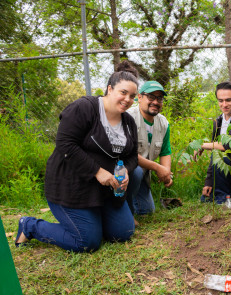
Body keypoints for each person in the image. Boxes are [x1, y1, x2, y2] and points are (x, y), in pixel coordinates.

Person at [14, 61, 139, 252]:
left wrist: (127, 171)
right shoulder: (84, 107)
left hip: (106, 191)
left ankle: (93, 220)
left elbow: (132, 157)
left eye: (132, 96)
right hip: (73, 186)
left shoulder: (128, 122)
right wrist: (97, 171)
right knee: (86, 242)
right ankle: (30, 226)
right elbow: (65, 144)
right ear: (110, 89)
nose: (127, 99)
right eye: (123, 92)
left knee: (123, 233)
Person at [126, 81, 172, 218]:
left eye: (159, 98)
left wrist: (166, 173)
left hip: (144, 175)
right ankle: (125, 209)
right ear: (139, 98)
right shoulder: (128, 118)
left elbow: (165, 151)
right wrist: (158, 168)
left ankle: (132, 207)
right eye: (151, 97)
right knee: (136, 170)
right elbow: (130, 155)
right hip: (126, 173)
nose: (155, 102)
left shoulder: (163, 123)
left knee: (147, 212)